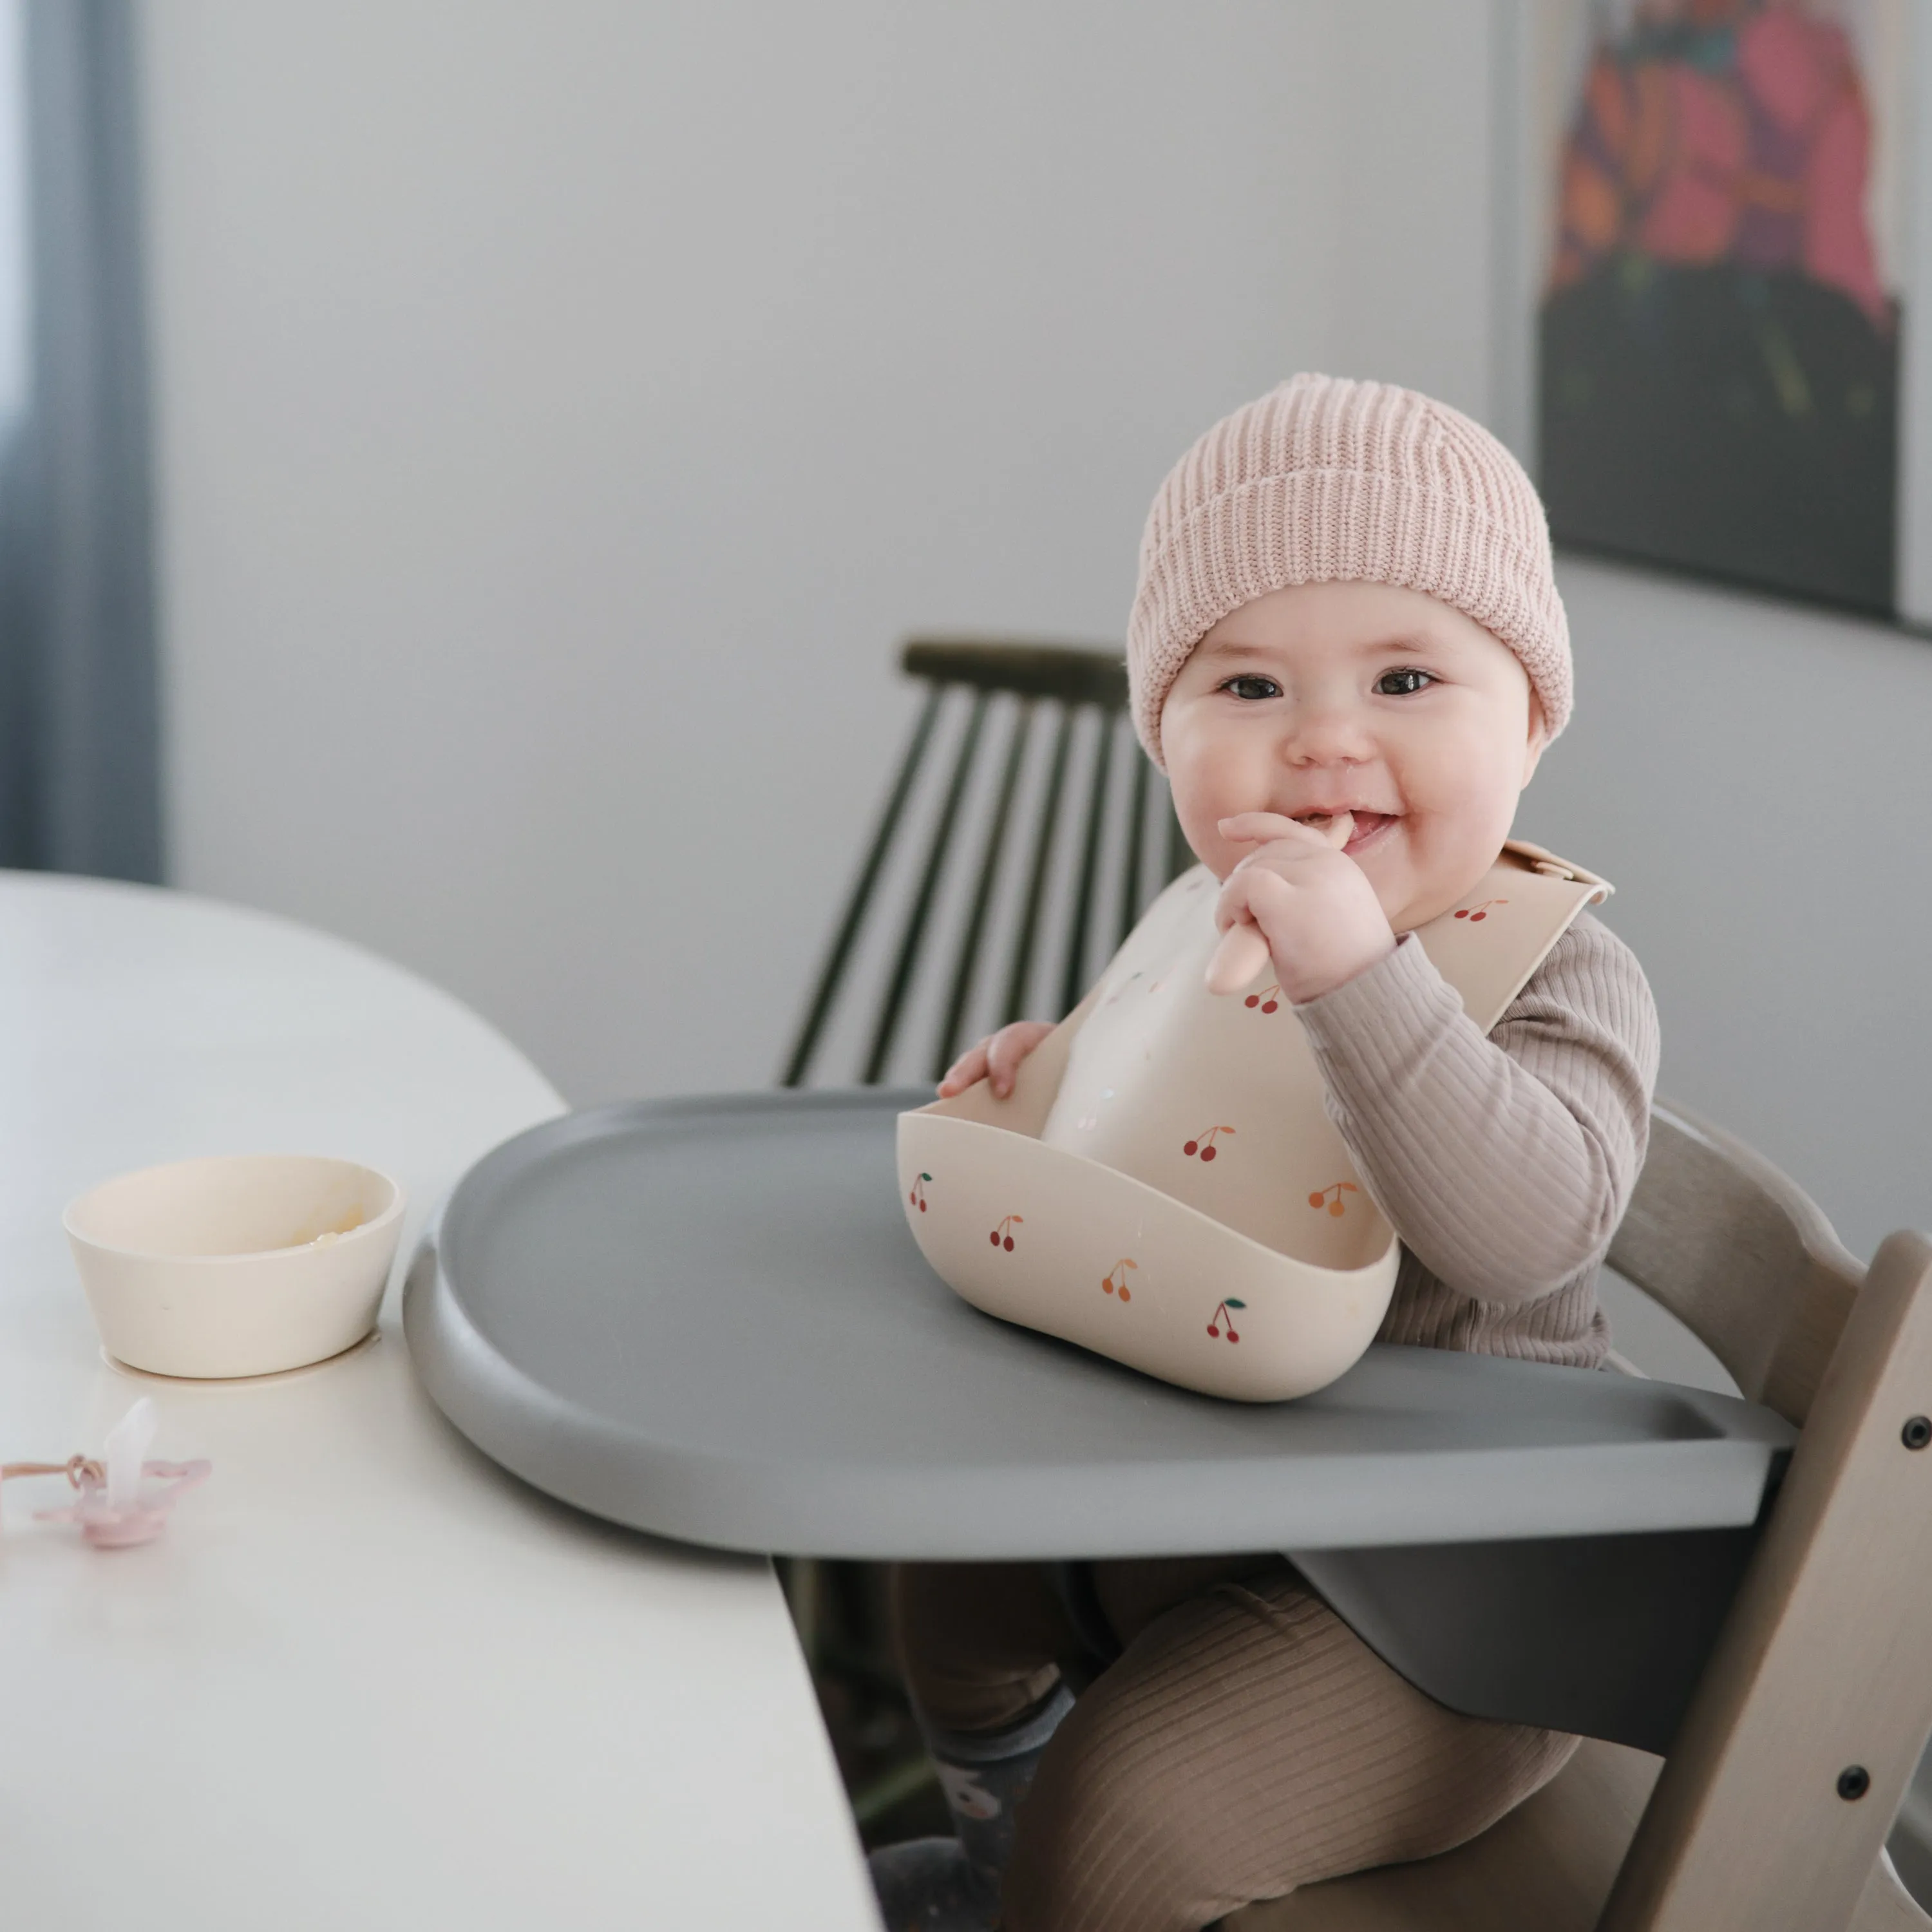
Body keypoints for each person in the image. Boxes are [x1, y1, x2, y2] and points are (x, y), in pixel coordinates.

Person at [870, 374, 1661, 1932]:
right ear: (1159, 731)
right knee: (941, 1586)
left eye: (1409, 679)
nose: (1322, 745)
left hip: (1464, 1584)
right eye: (1245, 691)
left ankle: (1057, 1872)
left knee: (1125, 1822)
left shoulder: (1556, 966)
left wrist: (1365, 979)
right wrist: (1060, 1084)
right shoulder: (1206, 925)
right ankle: (1001, 1867)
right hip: (1218, 1488)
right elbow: (1189, 1158)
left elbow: (1530, 1232)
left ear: (1533, 721)